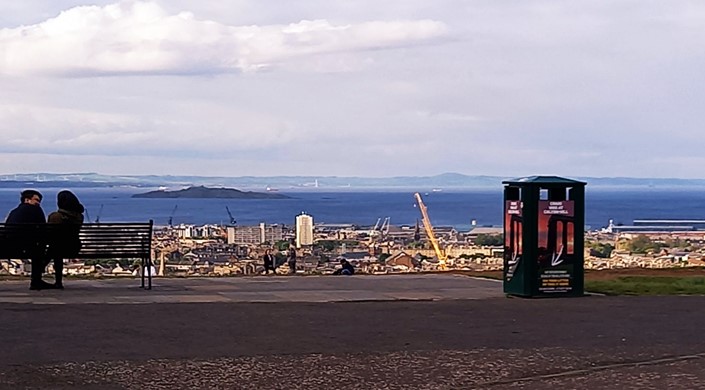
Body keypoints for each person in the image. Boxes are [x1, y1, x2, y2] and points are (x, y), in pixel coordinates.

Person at [5, 189, 53, 290]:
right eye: (36, 200)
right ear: (27, 200)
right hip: (27, 247)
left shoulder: (14, 211)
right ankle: (36, 281)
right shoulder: (36, 210)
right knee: (40, 250)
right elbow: (42, 229)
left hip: (9, 247)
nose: (38, 203)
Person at [46, 190, 85, 289]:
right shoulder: (79, 217)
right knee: (56, 248)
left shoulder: (55, 216)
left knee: (55, 249)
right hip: (74, 246)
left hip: (57, 247)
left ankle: (39, 275)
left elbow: (49, 233)